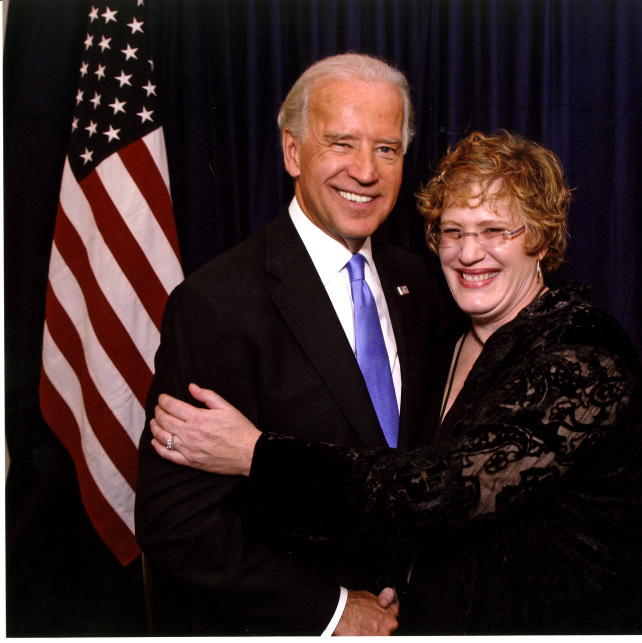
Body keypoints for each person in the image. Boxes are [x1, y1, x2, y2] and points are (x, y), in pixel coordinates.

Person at [150, 131, 642, 634]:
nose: (469, 253)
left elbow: (445, 491)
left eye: (495, 230)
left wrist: (256, 454)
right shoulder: (444, 334)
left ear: (540, 238)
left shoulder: (584, 355)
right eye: (453, 231)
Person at [134, 53, 457, 636]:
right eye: (341, 143)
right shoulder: (215, 303)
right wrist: (332, 612)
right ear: (292, 152)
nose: (366, 171)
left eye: (387, 148)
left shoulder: (421, 285)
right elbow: (177, 522)